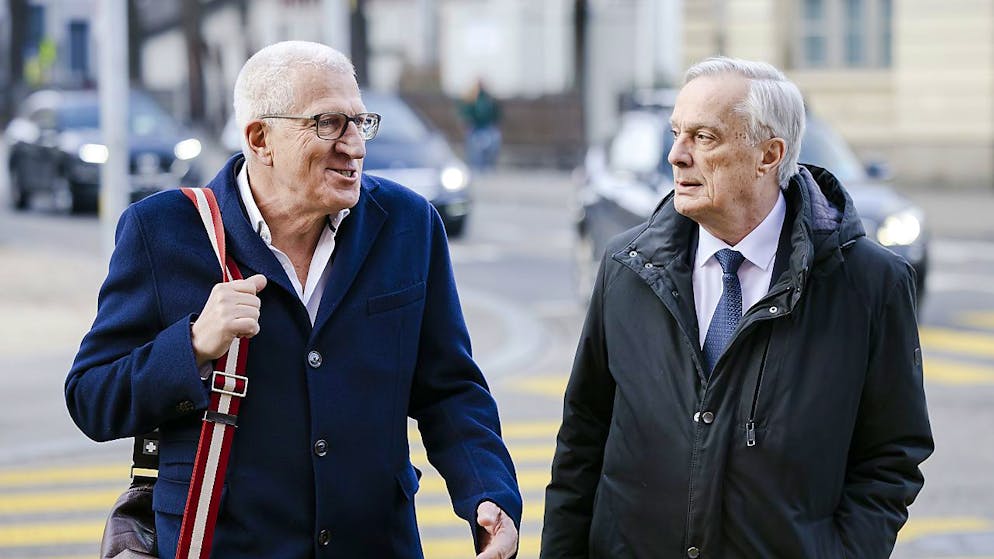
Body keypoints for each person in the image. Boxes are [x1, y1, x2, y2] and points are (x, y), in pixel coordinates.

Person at [65, 40, 520, 559]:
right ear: (261, 139)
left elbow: (450, 389)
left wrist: (489, 494)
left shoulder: (410, 225)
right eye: (329, 124)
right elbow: (91, 397)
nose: (355, 146)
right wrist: (191, 346)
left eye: (360, 122)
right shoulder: (162, 231)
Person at [541, 56, 933, 558]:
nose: (676, 156)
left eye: (704, 138)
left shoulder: (870, 284)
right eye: (677, 134)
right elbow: (581, 441)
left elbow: (891, 457)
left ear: (768, 155)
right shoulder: (627, 267)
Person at [459, 79, 502, 172]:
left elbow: (496, 115)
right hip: (476, 129)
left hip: (487, 128)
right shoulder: (472, 99)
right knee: (476, 148)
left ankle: (489, 166)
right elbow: (466, 116)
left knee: (494, 142)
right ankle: (475, 167)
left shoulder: (489, 99)